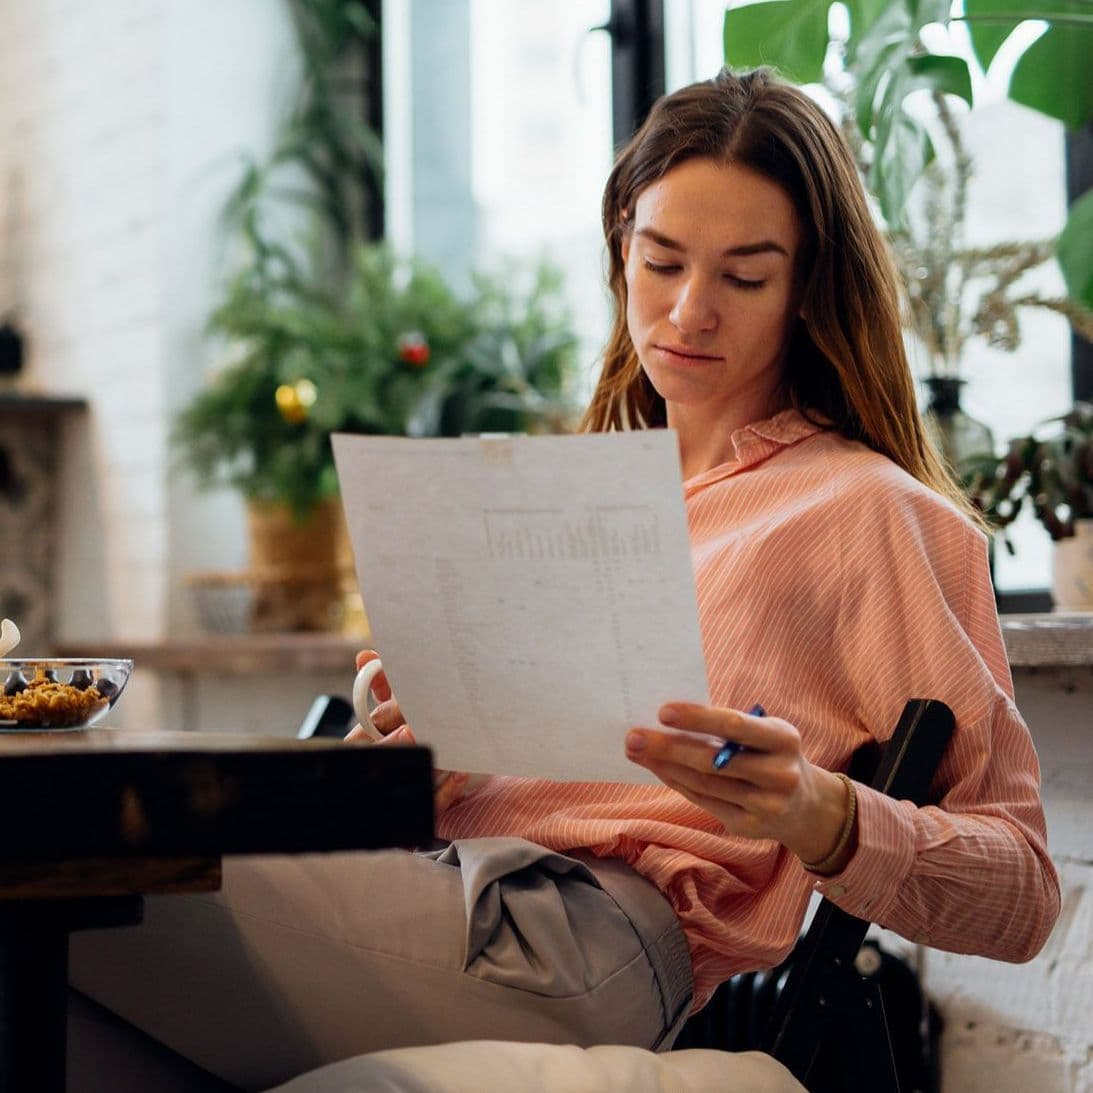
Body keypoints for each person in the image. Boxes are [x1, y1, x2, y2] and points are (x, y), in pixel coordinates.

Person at [70, 67, 1060, 1091]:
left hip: (575, 938)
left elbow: (1025, 891)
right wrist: (408, 735)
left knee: (65, 857)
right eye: (659, 260)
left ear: (808, 288)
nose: (688, 310)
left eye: (745, 275)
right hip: (418, 890)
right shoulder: (560, 496)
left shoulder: (869, 514)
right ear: (619, 245)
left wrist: (821, 812)